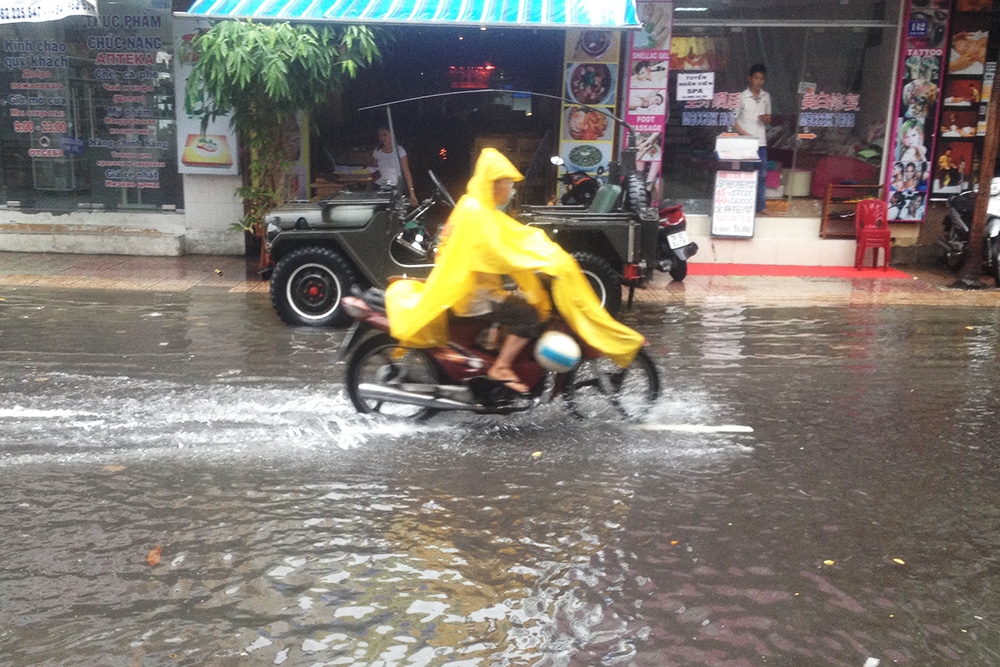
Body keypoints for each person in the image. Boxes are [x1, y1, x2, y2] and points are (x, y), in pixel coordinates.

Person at [385, 148, 645, 394]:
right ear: (493, 183)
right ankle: (501, 366)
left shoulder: (477, 206)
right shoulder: (476, 211)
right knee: (528, 316)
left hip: (474, 286)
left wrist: (541, 253)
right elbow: (498, 252)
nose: (510, 190)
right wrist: (533, 262)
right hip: (473, 294)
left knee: (521, 302)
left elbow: (515, 237)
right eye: (507, 183)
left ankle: (493, 348)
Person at [734, 63, 772, 215]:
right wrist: (745, 134)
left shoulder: (766, 96)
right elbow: (733, 121)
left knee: (762, 176)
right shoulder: (742, 97)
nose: (759, 81)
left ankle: (761, 207)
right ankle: (744, 206)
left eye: (761, 79)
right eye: (756, 78)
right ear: (750, 79)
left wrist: (766, 119)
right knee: (745, 174)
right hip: (746, 142)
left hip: (761, 142)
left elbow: (769, 118)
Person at [372, 126, 418, 206]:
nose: (383, 138)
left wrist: (412, 193)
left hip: (395, 186)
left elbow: (406, 172)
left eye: (385, 135)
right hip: (379, 185)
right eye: (380, 136)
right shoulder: (377, 151)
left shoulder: (399, 150)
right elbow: (373, 169)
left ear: (391, 135)